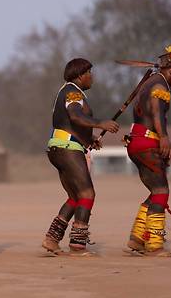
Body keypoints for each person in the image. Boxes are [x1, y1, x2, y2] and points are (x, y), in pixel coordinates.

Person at [42, 58, 119, 256]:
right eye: (89, 73)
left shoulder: (68, 91)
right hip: (67, 148)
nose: (92, 77)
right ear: (79, 75)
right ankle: (77, 245)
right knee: (87, 194)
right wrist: (101, 123)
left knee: (75, 197)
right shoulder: (73, 92)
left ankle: (52, 239)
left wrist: (89, 138)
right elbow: (75, 116)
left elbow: (70, 123)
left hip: (60, 146)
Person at [125, 39, 171, 257]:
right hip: (147, 142)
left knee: (155, 191)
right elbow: (156, 113)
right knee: (162, 191)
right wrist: (164, 138)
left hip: (136, 141)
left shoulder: (150, 82)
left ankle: (137, 238)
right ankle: (154, 245)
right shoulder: (160, 86)